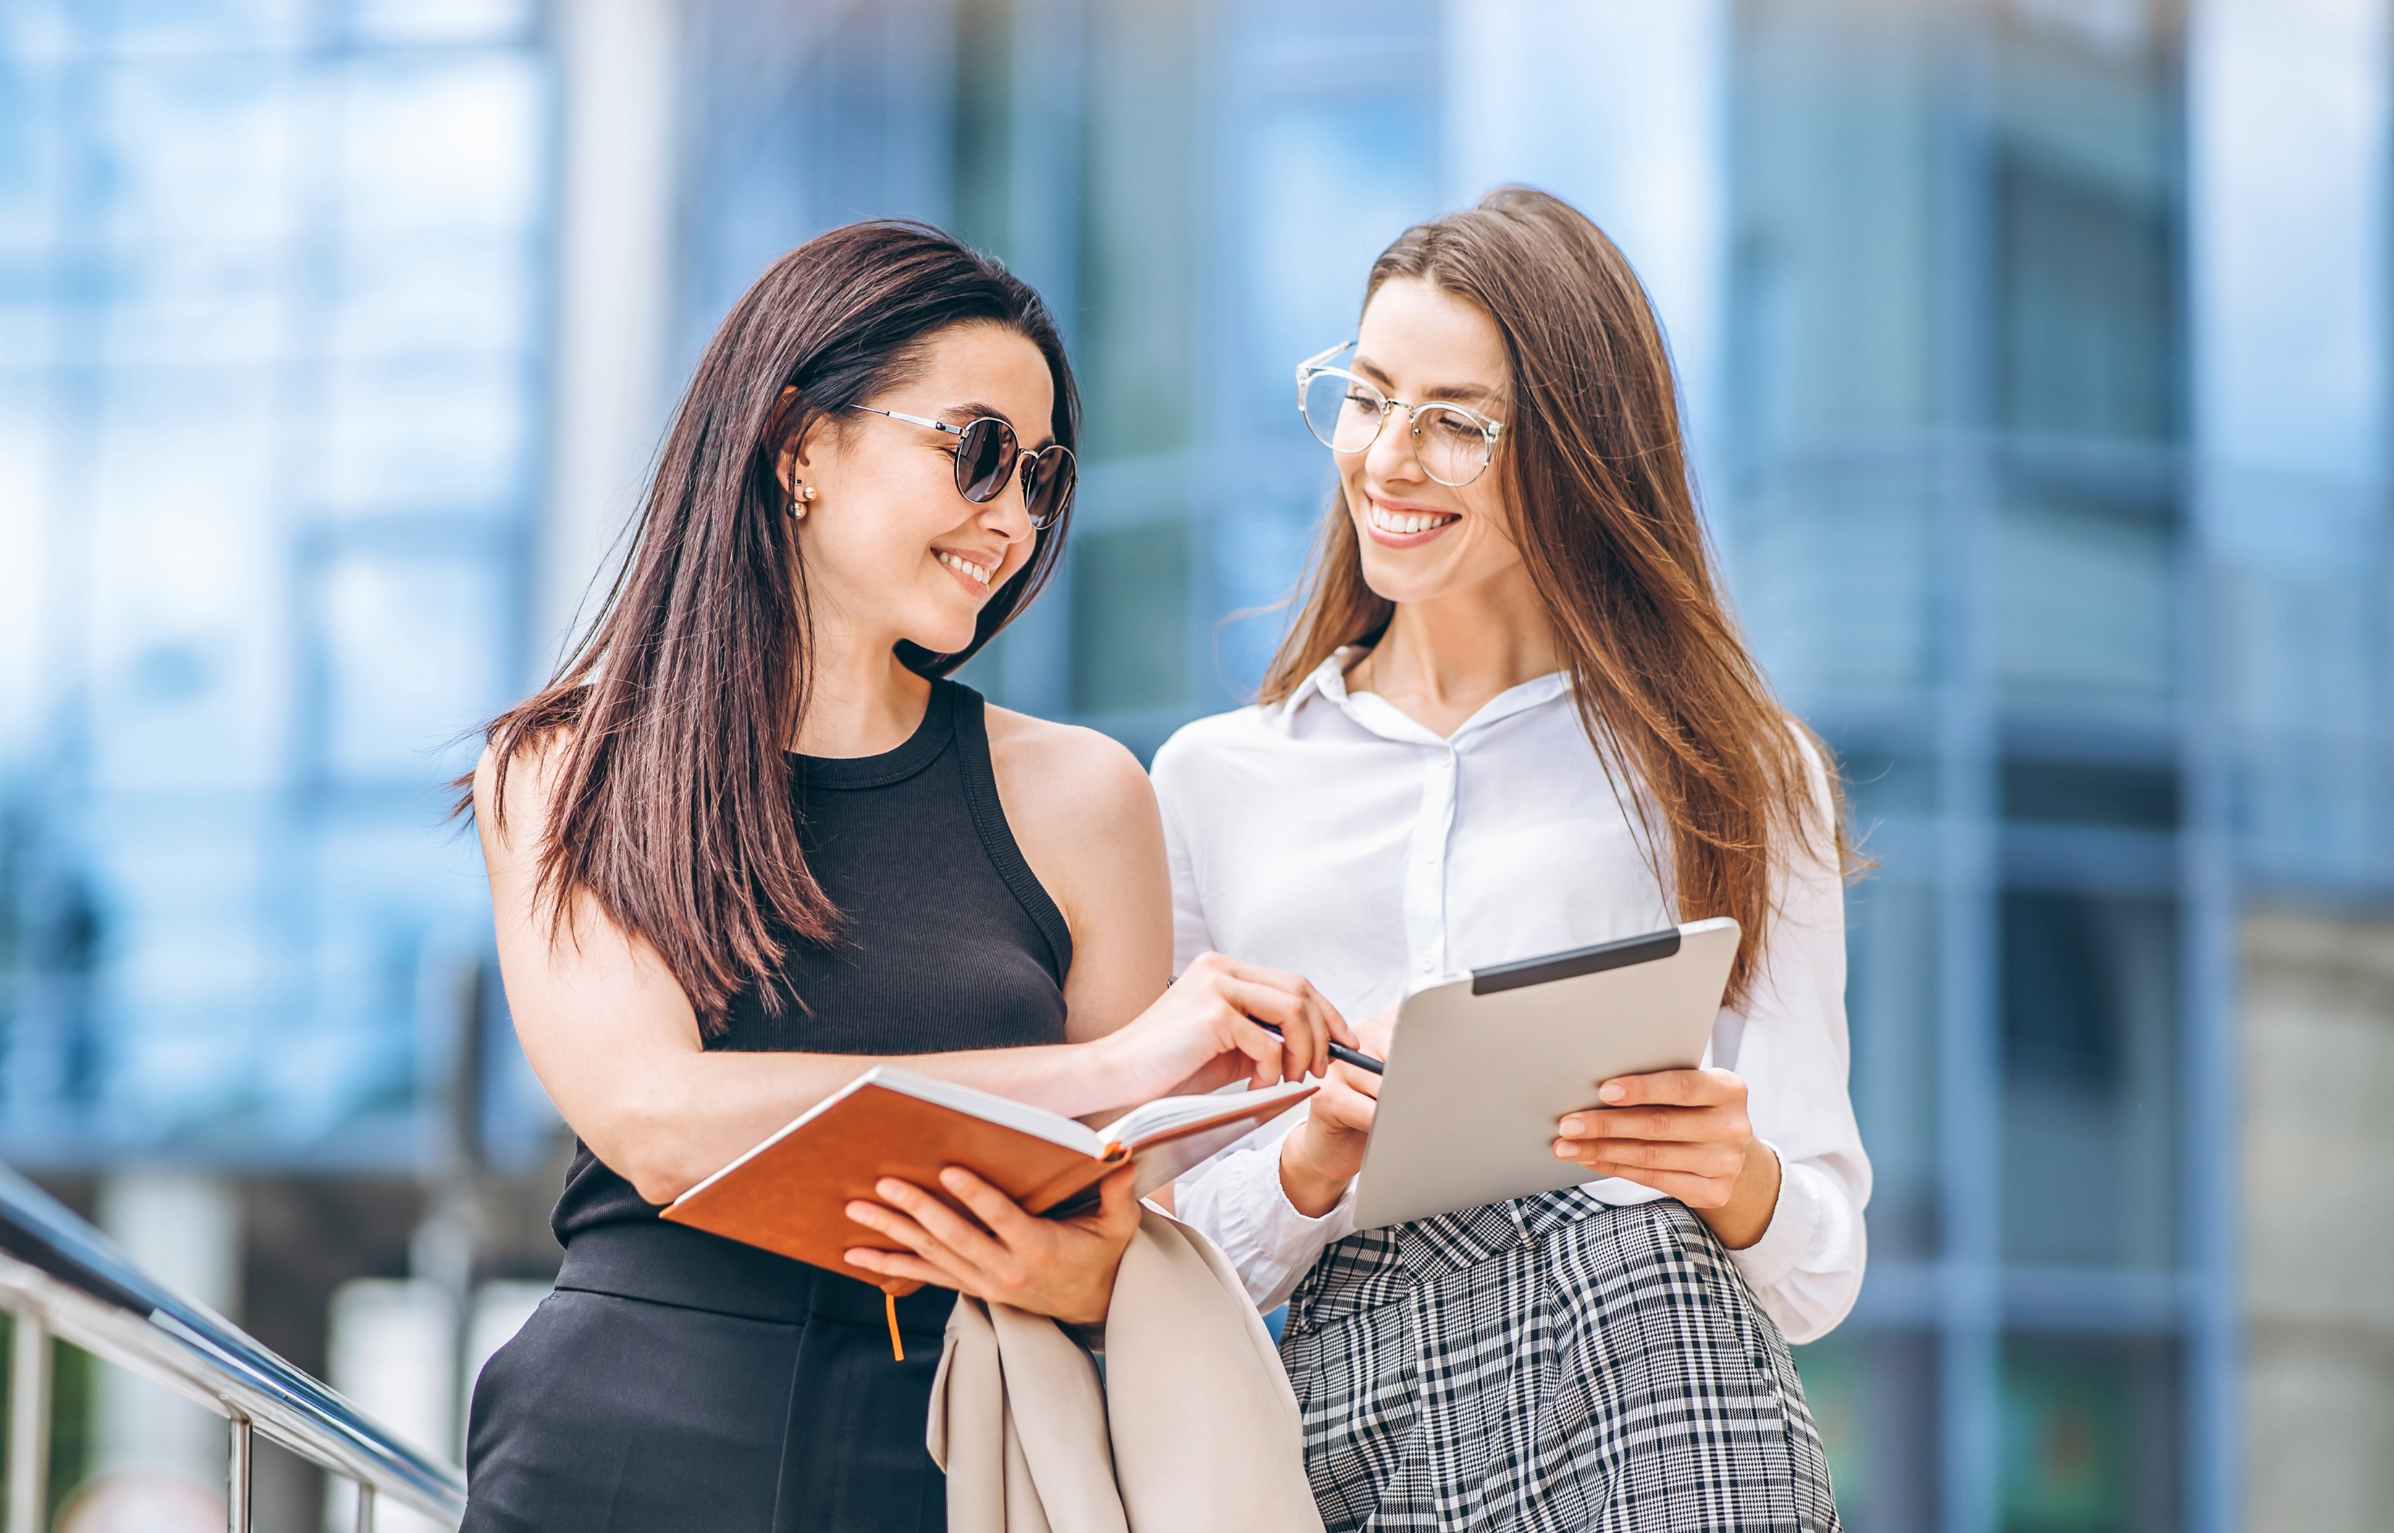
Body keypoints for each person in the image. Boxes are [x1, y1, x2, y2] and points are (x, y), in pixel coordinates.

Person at [455, 219, 1347, 1533]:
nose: (1013, 517)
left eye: (1040, 474)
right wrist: (1113, 1069)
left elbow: (1120, 1217)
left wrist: (1082, 1261)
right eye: (976, 451)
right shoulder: (568, 763)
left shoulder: (1085, 797)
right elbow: (655, 1120)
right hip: (618, 1445)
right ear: (800, 443)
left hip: (958, 1452)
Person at [1156, 186, 1872, 1531]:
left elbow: (1818, 1267)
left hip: (1646, 1360)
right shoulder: (1214, 780)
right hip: (1343, 1408)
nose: (1387, 459)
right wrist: (1311, 1155)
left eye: (1456, 422)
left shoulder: (1732, 766)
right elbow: (1164, 1241)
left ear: (1576, 451)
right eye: (1366, 398)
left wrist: (1745, 1180)